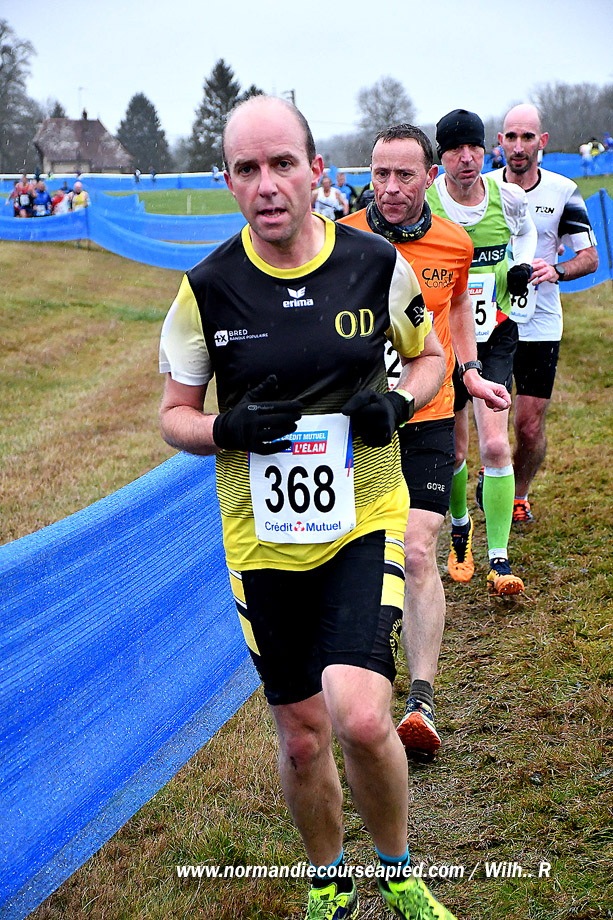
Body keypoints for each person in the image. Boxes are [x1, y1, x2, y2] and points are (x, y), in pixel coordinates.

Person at [158, 94, 458, 920]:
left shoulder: (373, 264)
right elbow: (173, 415)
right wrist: (222, 428)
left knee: (359, 717)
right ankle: (330, 882)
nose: (266, 184)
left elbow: (429, 359)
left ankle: (396, 869)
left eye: (282, 164)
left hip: (362, 518)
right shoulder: (205, 290)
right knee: (300, 735)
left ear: (316, 171)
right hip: (261, 541)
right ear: (227, 181)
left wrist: (396, 403)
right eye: (247, 168)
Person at [340, 124, 510, 760]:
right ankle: (363, 675)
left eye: (404, 175)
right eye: (380, 174)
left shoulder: (454, 243)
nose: (389, 187)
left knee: (416, 548)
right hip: (359, 424)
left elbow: (458, 306)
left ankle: (420, 702)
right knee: (361, 555)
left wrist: (471, 371)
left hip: (428, 413)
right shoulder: (340, 239)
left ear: (429, 177)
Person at [426, 109, 537, 597]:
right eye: (455, 149)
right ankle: (459, 529)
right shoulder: (427, 204)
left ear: (484, 150)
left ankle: (499, 559)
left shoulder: (507, 198)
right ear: (441, 158)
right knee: (455, 451)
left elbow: (526, 233)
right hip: (443, 342)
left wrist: (520, 265)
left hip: (495, 335)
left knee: (494, 445)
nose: (466, 157)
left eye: (473, 146)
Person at [492, 104, 598, 522]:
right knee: (489, 420)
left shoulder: (562, 191)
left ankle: (518, 493)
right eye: (511, 137)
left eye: (527, 137)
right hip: (491, 322)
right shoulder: (482, 188)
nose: (519, 147)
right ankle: (494, 474)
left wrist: (556, 270)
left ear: (543, 141)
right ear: (500, 142)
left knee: (529, 426)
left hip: (540, 323)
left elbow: (589, 257)